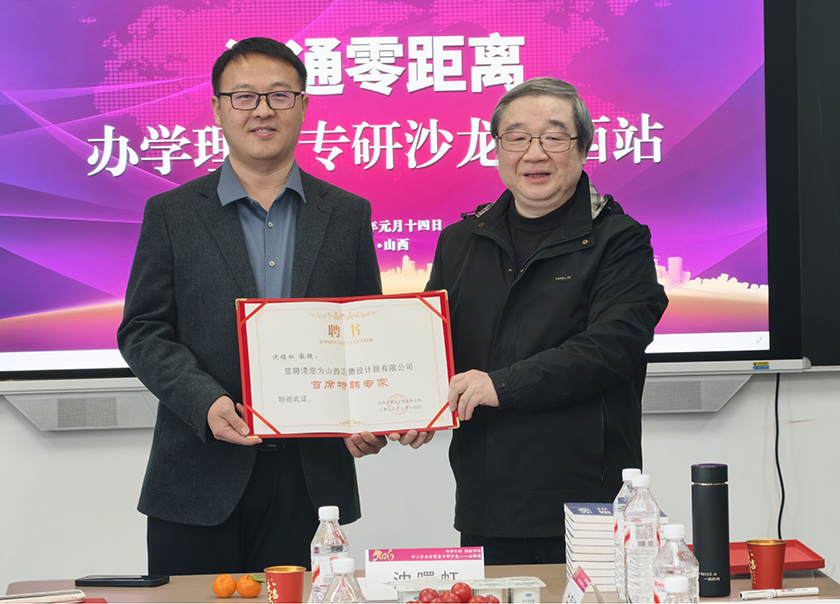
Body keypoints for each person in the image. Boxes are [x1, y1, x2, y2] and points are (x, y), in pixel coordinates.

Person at [117, 37, 426, 576]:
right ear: (218, 109)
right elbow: (142, 329)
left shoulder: (347, 213)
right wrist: (205, 401)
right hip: (197, 471)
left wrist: (372, 416)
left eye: (280, 95)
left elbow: (364, 331)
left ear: (303, 107)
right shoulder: (171, 212)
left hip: (310, 482)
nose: (262, 110)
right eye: (243, 96)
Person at [425, 77, 668, 565]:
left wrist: (499, 385)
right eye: (517, 137)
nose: (534, 153)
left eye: (554, 137)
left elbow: (610, 349)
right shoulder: (459, 242)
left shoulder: (620, 241)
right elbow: (434, 350)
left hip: (587, 502)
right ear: (497, 148)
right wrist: (405, 413)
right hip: (486, 500)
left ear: (583, 148)